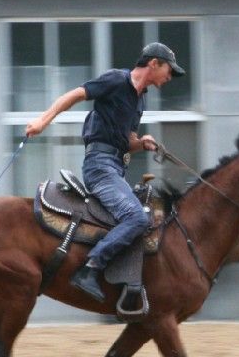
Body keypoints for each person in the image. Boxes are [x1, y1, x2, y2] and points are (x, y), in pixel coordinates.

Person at [24, 42, 185, 302]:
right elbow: (74, 95)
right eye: (169, 70)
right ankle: (90, 269)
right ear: (153, 63)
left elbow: (127, 140)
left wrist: (141, 143)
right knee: (137, 218)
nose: (170, 76)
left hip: (116, 167)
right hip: (100, 166)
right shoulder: (116, 80)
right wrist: (43, 120)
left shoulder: (140, 101)